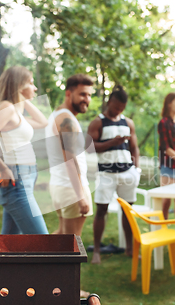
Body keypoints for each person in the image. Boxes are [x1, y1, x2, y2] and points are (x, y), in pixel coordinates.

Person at [0, 66, 49, 235]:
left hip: (25, 177)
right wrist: (3, 169)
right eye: (30, 83)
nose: (35, 88)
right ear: (18, 86)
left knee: (10, 245)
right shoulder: (6, 109)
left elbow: (42, 121)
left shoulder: (14, 111)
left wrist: (23, 98)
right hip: (17, 180)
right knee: (44, 243)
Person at [86, 85, 140, 264]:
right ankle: (97, 251)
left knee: (128, 211)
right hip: (106, 174)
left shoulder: (128, 123)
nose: (119, 111)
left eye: (122, 109)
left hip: (127, 173)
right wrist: (112, 142)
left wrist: (136, 169)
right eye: (117, 107)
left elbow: (134, 148)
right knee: (102, 210)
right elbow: (89, 148)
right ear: (110, 102)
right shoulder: (98, 122)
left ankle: (130, 248)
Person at [46, 74, 95, 237]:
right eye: (82, 94)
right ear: (68, 94)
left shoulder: (57, 115)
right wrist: (80, 196)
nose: (86, 99)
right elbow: (70, 160)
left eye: (89, 95)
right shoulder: (68, 120)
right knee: (72, 247)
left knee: (61, 236)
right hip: (71, 190)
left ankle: (41, 261)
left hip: (59, 186)